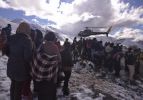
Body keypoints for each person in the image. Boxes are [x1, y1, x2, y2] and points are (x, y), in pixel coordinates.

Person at [4, 22, 33, 100]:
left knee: (13, 86)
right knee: (18, 90)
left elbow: (7, 52)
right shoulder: (27, 40)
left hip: (11, 67)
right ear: (27, 30)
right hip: (21, 70)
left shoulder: (11, 37)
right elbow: (27, 57)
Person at [32, 31, 61, 100]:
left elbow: (35, 57)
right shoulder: (54, 47)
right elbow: (59, 60)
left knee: (41, 95)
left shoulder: (41, 45)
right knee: (49, 95)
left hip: (38, 77)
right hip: (49, 78)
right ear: (53, 39)